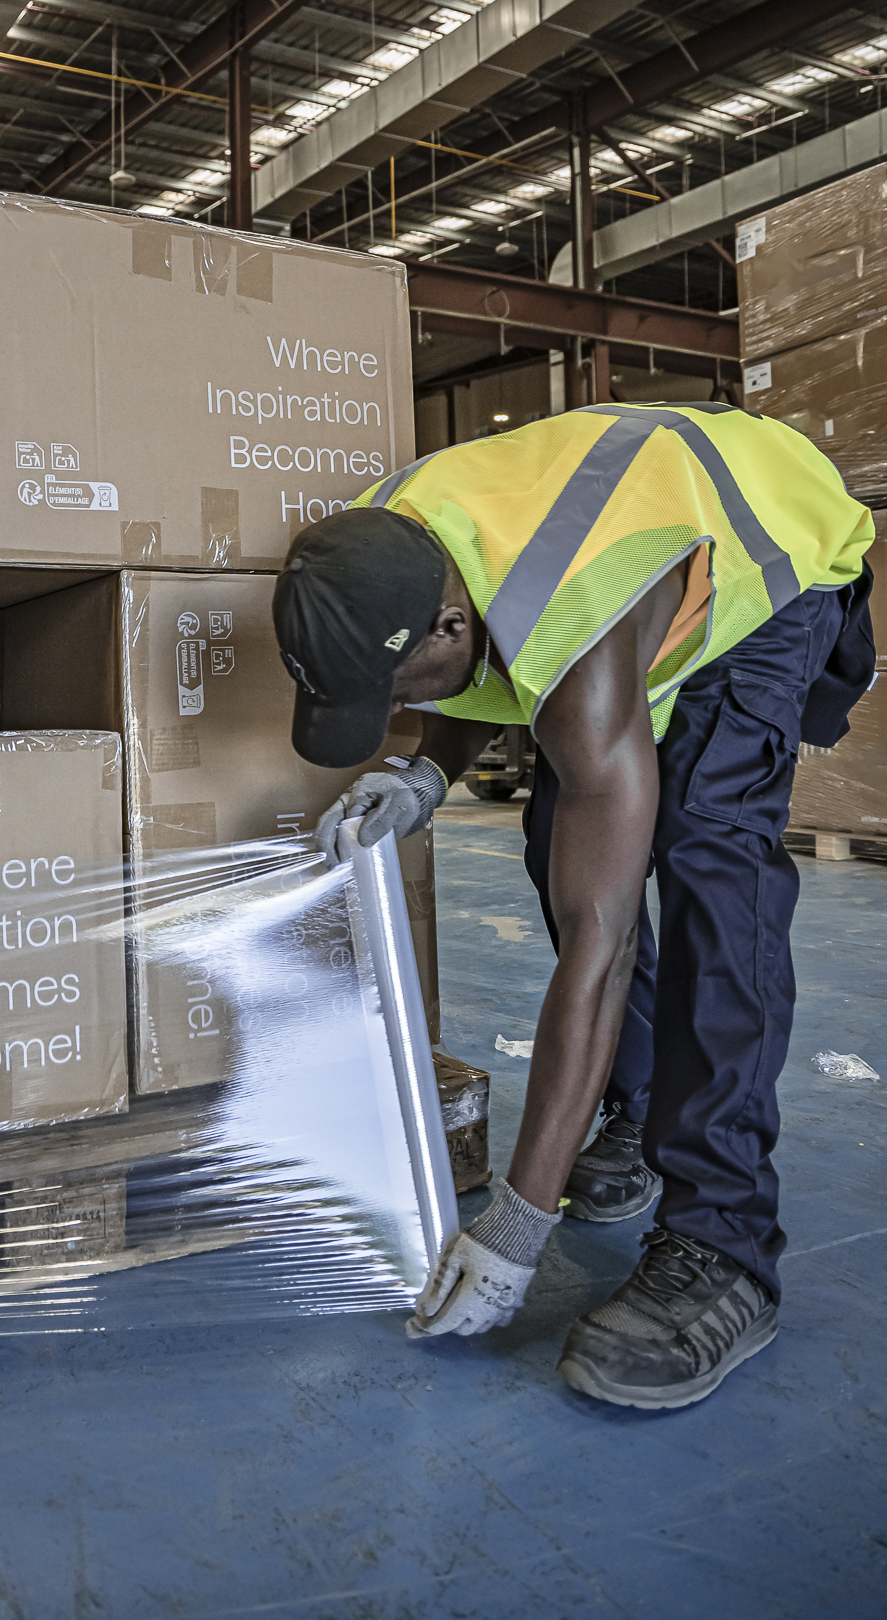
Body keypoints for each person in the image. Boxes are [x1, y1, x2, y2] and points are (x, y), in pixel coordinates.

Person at [272, 402, 875, 1410]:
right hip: (626, 560)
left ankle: (724, 1246)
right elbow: (474, 666)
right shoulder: (379, 539)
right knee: (559, 837)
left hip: (773, 554)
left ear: (448, 624)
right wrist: (426, 773)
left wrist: (519, 1220)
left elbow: (600, 947)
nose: (391, 716)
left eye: (391, 694)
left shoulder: (579, 618)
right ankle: (643, 1116)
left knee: (707, 872)